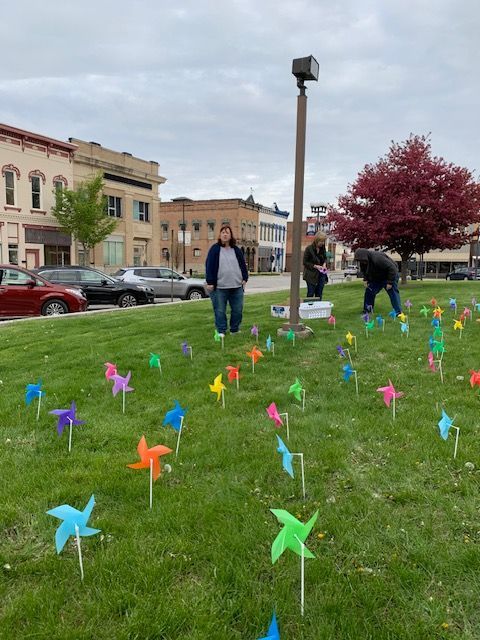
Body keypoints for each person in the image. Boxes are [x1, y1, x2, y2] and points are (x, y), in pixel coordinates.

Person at [205, 224, 248, 335]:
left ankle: (234, 329)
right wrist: (210, 282)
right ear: (220, 235)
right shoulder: (214, 249)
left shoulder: (236, 250)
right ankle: (221, 330)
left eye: (227, 232)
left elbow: (242, 265)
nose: (225, 234)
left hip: (236, 286)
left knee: (238, 310)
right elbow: (209, 265)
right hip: (220, 287)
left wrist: (245, 278)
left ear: (230, 235)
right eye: (223, 232)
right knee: (220, 310)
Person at [354, 248, 402, 315]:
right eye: (360, 261)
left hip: (389, 275)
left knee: (393, 292)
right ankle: (368, 310)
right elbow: (364, 271)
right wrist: (365, 279)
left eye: (362, 260)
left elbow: (392, 268)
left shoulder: (378, 258)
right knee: (369, 291)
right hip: (377, 277)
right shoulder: (363, 262)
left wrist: (390, 282)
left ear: (366, 257)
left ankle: (398, 312)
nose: (362, 262)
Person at [302, 231, 328, 299]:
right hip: (311, 274)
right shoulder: (309, 249)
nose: (322, 243)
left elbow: (325, 258)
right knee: (310, 293)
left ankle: (318, 309)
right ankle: (309, 308)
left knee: (319, 294)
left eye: (323, 241)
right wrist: (315, 266)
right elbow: (305, 262)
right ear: (317, 240)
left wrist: (324, 264)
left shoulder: (323, 248)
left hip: (321, 274)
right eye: (321, 241)